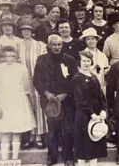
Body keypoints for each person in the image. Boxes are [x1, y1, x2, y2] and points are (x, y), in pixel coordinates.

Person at [33, 34, 78, 166]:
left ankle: (68, 157)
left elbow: (74, 79)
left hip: (67, 100)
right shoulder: (41, 60)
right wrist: (46, 93)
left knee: (68, 129)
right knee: (53, 130)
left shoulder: (69, 59)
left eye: (59, 45)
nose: (57, 47)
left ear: (62, 45)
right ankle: (51, 157)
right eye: (54, 45)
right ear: (49, 46)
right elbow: (37, 80)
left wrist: (65, 93)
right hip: (50, 101)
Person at [0, 45, 35, 160]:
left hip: (19, 102)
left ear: (16, 57)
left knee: (16, 132)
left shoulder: (22, 69)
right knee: (4, 133)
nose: (10, 58)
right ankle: (4, 160)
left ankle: (14, 159)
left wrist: (30, 103)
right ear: (2, 57)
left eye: (13, 56)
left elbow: (27, 88)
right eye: (7, 56)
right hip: (4, 102)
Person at [16, 21, 48, 150]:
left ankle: (39, 136)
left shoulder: (40, 45)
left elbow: (45, 64)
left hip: (38, 81)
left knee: (38, 107)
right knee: (26, 106)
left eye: (28, 30)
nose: (26, 32)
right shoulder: (17, 45)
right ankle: (29, 137)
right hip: (22, 81)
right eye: (24, 30)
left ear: (32, 31)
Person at [73, 51, 108, 166]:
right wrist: (92, 114)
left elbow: (101, 95)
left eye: (88, 61)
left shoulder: (94, 77)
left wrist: (103, 110)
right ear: (79, 62)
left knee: (95, 144)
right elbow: (81, 99)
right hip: (84, 116)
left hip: (97, 115)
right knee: (83, 146)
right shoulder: (77, 78)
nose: (86, 63)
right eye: (84, 61)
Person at [80, 28, 109, 93]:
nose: (91, 41)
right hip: (87, 87)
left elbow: (106, 71)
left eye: (93, 39)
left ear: (96, 40)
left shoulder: (102, 55)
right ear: (85, 41)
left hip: (101, 87)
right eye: (88, 39)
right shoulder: (82, 55)